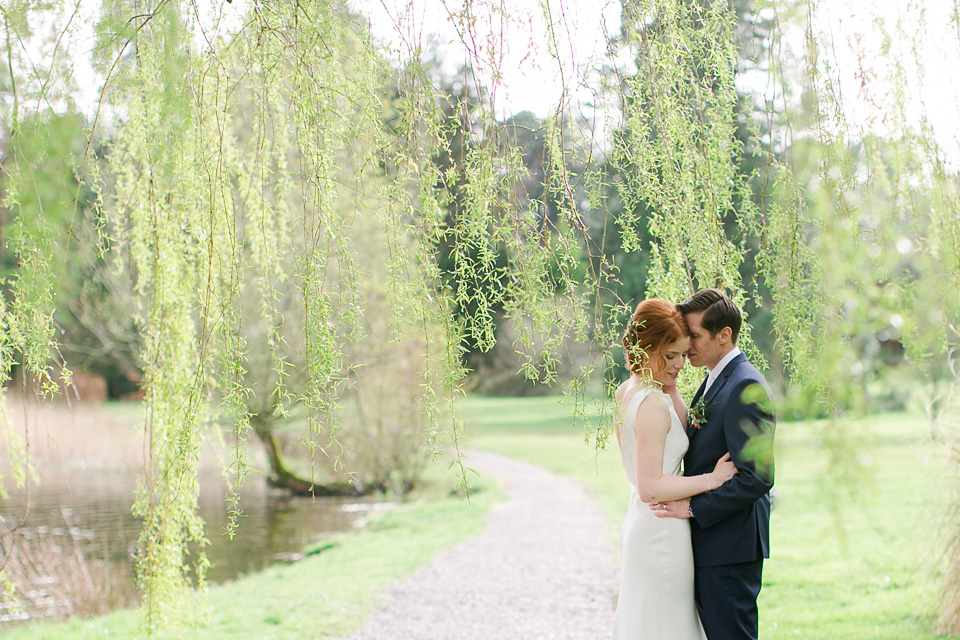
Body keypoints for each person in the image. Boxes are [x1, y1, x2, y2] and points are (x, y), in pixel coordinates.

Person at [652, 289, 776, 640]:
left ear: (724, 335)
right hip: (714, 543)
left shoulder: (745, 385)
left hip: (730, 546)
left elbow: (758, 477)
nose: (686, 344)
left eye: (694, 335)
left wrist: (692, 506)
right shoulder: (714, 379)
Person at [611, 298, 738, 640]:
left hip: (643, 521)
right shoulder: (652, 403)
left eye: (683, 353)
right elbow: (651, 485)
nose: (681, 364)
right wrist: (712, 480)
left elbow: (679, 426)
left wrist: (667, 378)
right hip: (661, 527)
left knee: (655, 623)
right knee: (668, 626)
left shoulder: (630, 390)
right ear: (645, 348)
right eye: (671, 356)